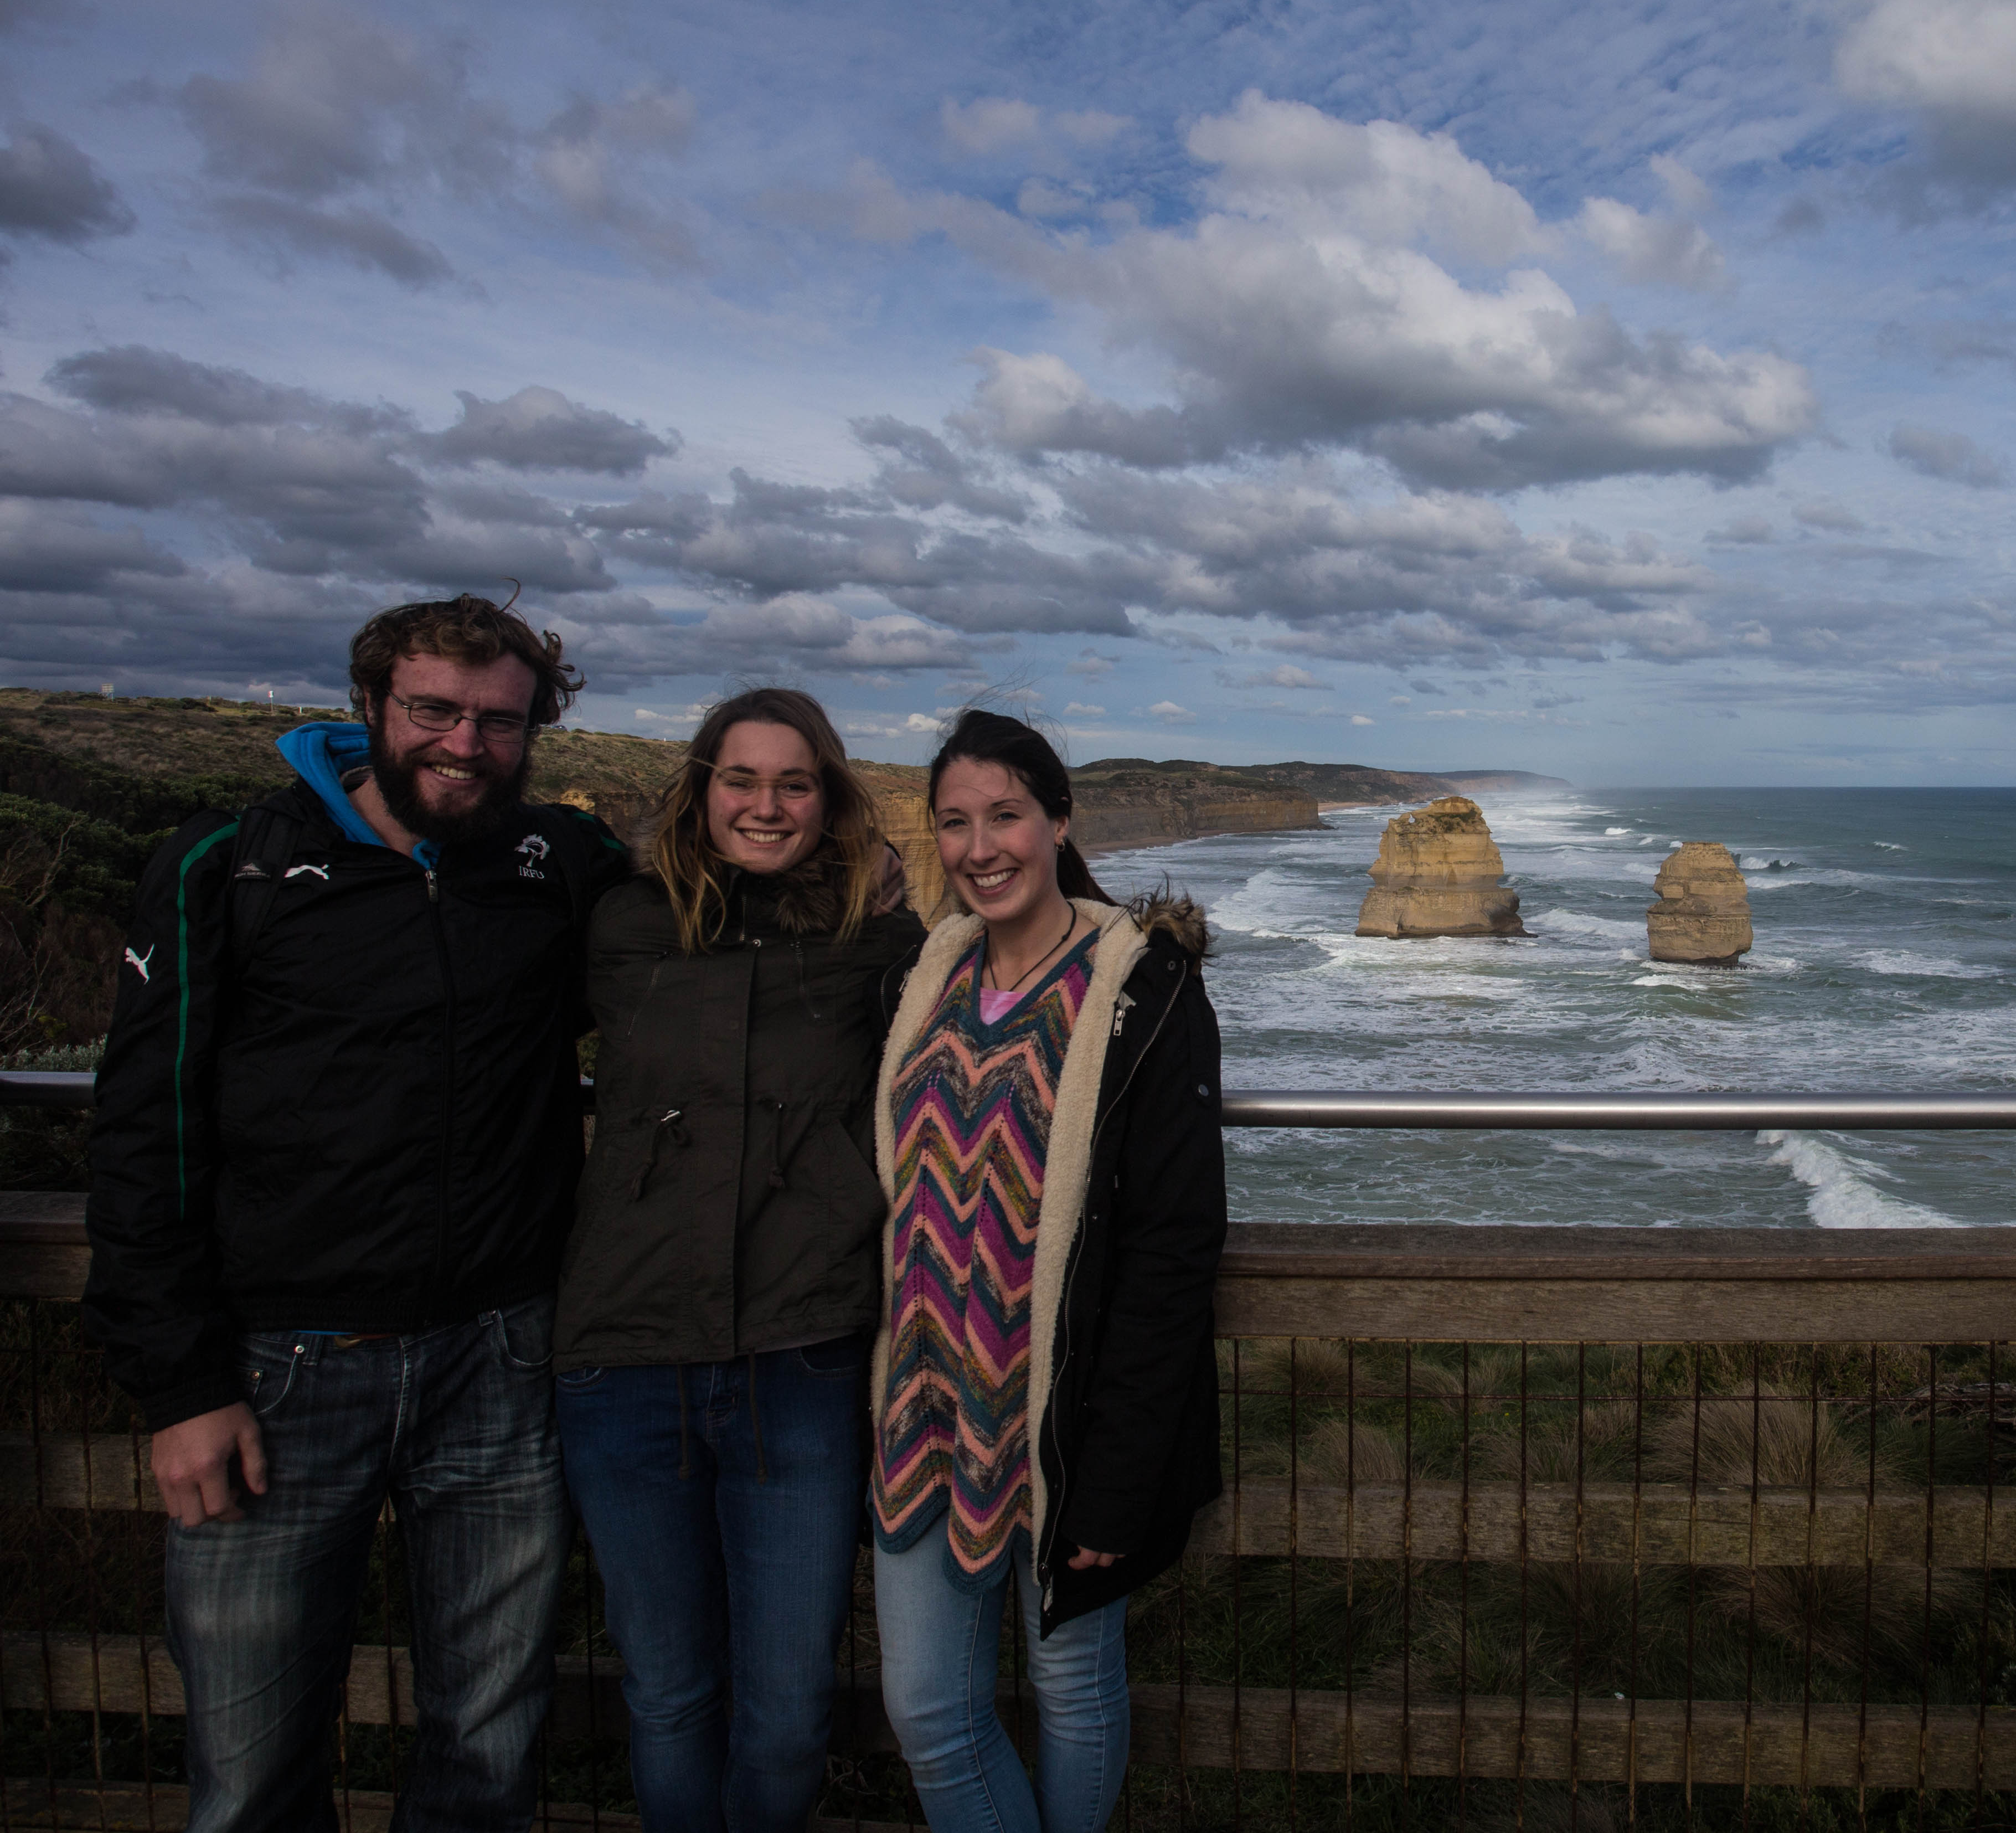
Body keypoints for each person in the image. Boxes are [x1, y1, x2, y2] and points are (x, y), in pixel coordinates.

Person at [84, 593, 631, 1833]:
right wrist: (178, 1382)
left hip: (500, 1360)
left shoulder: (557, 863)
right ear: (372, 704)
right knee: (252, 1764)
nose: (465, 742)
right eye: (434, 709)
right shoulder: (227, 863)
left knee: (487, 1752)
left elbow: (710, 943)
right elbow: (140, 1131)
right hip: (277, 1373)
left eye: (500, 719)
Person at [551, 688, 925, 1833]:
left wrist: (1149, 934)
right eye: (742, 780)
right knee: (668, 1696)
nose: (766, 805)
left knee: (785, 1706)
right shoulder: (616, 918)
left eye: (795, 783)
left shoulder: (880, 938)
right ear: (701, 787)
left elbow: (1013, 980)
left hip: (799, 1352)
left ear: (830, 797)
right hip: (626, 1352)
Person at [867, 709, 1227, 1833]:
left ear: (1057, 820)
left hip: (1058, 1415)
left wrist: (1116, 1476)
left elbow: (1173, 1243)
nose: (981, 846)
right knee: (927, 1707)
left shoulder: (1141, 984)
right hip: (922, 1402)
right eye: (955, 822)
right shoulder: (926, 971)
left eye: (1006, 815)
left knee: (1071, 1685)